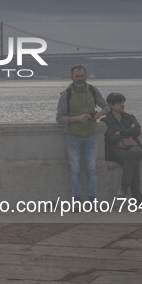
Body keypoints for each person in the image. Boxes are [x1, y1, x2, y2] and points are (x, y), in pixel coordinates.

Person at [56, 66, 109, 202]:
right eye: (77, 76)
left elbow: (106, 107)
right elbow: (59, 118)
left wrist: (99, 114)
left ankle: (92, 200)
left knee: (91, 169)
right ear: (72, 77)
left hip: (90, 135)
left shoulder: (92, 90)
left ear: (86, 76)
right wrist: (77, 118)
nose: (80, 79)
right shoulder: (66, 94)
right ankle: (76, 200)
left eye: (82, 76)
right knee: (75, 169)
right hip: (72, 136)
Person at [101, 92, 142, 200]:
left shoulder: (129, 117)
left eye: (123, 102)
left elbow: (137, 130)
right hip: (116, 150)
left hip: (135, 148)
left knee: (132, 153)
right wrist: (129, 133)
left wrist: (120, 132)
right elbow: (112, 138)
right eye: (119, 103)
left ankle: (124, 188)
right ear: (111, 105)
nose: (122, 105)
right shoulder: (105, 121)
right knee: (134, 163)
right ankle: (138, 200)